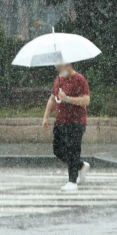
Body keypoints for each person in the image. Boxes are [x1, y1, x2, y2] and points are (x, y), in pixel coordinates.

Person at [43, 61, 91, 192]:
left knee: (72, 150)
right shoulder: (58, 79)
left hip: (76, 121)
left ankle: (72, 181)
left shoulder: (80, 80)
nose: (58, 69)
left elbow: (86, 100)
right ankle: (80, 165)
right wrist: (46, 116)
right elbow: (52, 98)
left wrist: (68, 99)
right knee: (57, 150)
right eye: (56, 66)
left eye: (60, 67)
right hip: (60, 121)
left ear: (69, 65)